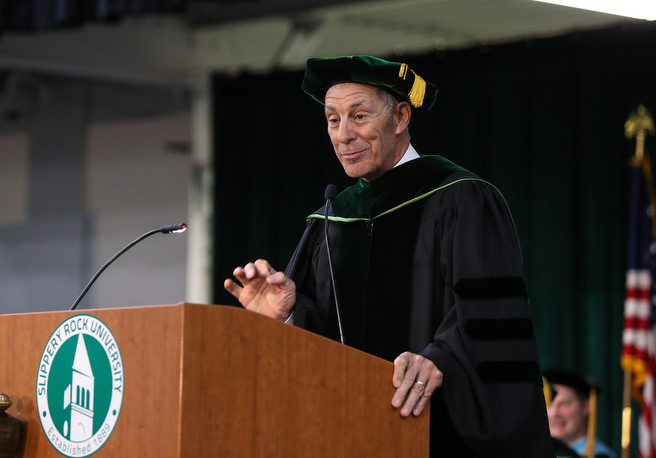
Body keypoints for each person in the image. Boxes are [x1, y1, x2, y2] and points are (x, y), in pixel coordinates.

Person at [223, 55, 555, 457]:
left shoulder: (461, 199)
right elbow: (331, 346)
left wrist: (441, 359)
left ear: (400, 117)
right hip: (350, 437)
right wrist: (288, 317)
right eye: (332, 119)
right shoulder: (332, 220)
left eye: (359, 116)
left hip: (439, 437)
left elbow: (491, 320)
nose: (343, 135)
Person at [544, 369, 618, 458]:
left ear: (586, 406)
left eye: (565, 404)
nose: (554, 413)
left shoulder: (600, 455)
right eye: (547, 403)